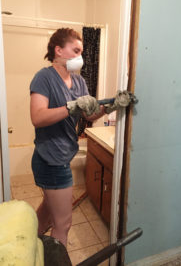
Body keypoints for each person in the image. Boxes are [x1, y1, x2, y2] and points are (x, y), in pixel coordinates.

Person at [30, 27, 130, 248]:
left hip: (63, 155)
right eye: (75, 50)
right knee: (63, 224)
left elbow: (88, 113)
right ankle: (57, 260)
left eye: (82, 52)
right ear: (59, 50)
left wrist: (111, 106)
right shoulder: (44, 77)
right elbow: (37, 117)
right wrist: (70, 106)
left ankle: (28, 241)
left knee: (49, 209)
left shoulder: (79, 82)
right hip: (51, 159)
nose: (80, 57)